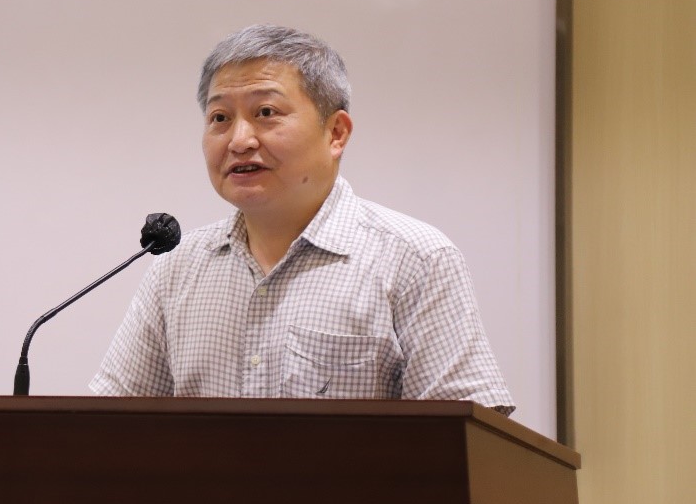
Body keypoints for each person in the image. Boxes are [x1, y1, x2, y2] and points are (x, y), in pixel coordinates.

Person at [91, 24, 515, 414]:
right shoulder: (177, 267)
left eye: (266, 113)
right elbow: (108, 423)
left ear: (336, 133)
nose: (239, 140)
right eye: (220, 118)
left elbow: (469, 441)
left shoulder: (415, 260)